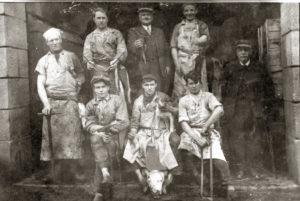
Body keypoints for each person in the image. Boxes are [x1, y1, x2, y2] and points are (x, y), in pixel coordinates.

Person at [35, 28, 85, 182]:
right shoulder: (43, 60)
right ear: (47, 43)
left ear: (61, 40)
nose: (54, 42)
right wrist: (45, 104)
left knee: (73, 137)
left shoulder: (72, 56)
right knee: (53, 140)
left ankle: (74, 171)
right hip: (52, 104)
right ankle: (54, 172)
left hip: (70, 102)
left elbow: (81, 75)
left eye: (57, 39)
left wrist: (79, 81)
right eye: (51, 40)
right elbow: (40, 84)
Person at [222, 39, 274, 179]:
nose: (243, 53)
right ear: (236, 51)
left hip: (254, 110)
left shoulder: (259, 68)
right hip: (235, 110)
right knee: (237, 138)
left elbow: (269, 89)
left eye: (246, 50)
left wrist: (265, 108)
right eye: (240, 50)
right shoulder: (230, 68)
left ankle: (254, 168)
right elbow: (222, 90)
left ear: (250, 52)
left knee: (255, 138)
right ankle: (240, 168)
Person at [178, 71, 234, 197]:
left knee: (217, 157)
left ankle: (228, 184)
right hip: (191, 132)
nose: (193, 86)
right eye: (190, 83)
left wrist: (206, 125)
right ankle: (204, 184)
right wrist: (196, 138)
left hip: (207, 131)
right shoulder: (183, 100)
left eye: (196, 83)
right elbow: (183, 123)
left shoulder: (208, 96)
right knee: (187, 156)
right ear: (187, 85)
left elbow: (219, 110)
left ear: (201, 83)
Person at [123, 74, 180, 193]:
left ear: (156, 85)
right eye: (146, 85)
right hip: (144, 131)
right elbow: (134, 121)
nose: (149, 88)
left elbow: (175, 112)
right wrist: (133, 132)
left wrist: (166, 107)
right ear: (142, 86)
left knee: (176, 140)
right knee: (128, 144)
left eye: (152, 85)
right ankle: (140, 176)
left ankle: (169, 175)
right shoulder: (138, 101)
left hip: (163, 130)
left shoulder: (163, 97)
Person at [85, 75, 129, 201]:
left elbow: (124, 121)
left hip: (115, 137)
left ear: (108, 87)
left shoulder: (117, 100)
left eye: (103, 87)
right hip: (99, 136)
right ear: (94, 89)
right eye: (97, 87)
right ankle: (105, 174)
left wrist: (108, 132)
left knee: (99, 144)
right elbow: (89, 124)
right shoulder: (91, 104)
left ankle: (98, 191)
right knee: (96, 140)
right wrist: (100, 132)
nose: (100, 90)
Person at [83, 7, 131, 103]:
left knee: (116, 93)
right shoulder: (90, 36)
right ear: (94, 20)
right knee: (100, 92)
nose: (101, 21)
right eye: (98, 18)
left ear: (107, 19)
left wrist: (116, 61)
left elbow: (122, 49)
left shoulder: (115, 33)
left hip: (113, 67)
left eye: (103, 18)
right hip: (97, 69)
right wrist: (88, 61)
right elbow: (86, 52)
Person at [127, 7, 171, 94]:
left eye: (148, 15)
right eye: (143, 15)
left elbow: (166, 50)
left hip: (159, 66)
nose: (146, 17)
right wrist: (135, 45)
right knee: (144, 89)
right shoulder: (134, 31)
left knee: (159, 88)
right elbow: (130, 48)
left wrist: (167, 64)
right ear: (139, 18)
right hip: (142, 66)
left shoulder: (159, 31)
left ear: (152, 17)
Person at [170, 3, 210, 101]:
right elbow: (173, 46)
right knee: (181, 86)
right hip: (182, 60)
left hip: (197, 59)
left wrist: (198, 40)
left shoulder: (201, 25)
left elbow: (206, 37)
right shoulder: (178, 26)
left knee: (198, 83)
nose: (189, 13)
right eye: (186, 10)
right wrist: (176, 63)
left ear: (196, 11)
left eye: (192, 10)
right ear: (183, 12)